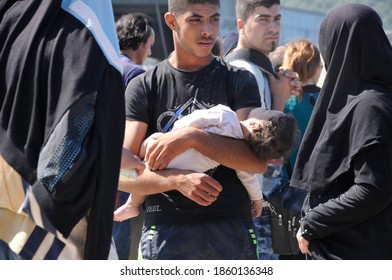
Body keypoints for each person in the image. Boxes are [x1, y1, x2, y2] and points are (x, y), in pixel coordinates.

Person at [120, 0, 269, 260]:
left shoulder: (238, 79)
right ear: (171, 21)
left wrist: (192, 137)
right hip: (166, 230)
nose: (208, 31)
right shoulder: (144, 85)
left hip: (232, 229)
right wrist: (178, 180)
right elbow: (122, 175)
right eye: (196, 19)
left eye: (214, 19)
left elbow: (255, 161)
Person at [0, 0, 124, 259]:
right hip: (47, 227)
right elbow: (77, 124)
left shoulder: (11, 13)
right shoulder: (87, 27)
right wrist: (51, 201)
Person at [293, 3, 392, 260]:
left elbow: (374, 189)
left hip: (357, 251)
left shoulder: (369, 105)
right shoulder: (374, 98)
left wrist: (313, 222)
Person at [114, 104, 297, 221]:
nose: (263, 107)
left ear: (256, 124)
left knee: (145, 158)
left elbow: (196, 119)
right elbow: (248, 178)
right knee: (148, 167)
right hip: (183, 166)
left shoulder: (227, 116)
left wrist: (176, 134)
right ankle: (133, 205)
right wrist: (257, 200)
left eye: (266, 110)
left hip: (168, 148)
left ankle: (132, 204)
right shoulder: (240, 152)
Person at [224, 0, 299, 260]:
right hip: (249, 203)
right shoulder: (246, 71)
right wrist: (279, 102)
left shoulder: (257, 69)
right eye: (263, 19)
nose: (273, 28)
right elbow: (252, 146)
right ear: (242, 25)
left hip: (252, 200)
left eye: (277, 19)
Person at [112, 12, 155, 260]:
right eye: (149, 46)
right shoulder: (136, 75)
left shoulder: (103, 64)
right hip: (125, 170)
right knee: (120, 248)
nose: (149, 52)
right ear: (140, 42)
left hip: (96, 167)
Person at [281, 38, 322, 182]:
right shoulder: (328, 100)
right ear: (316, 67)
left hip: (285, 184)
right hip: (321, 183)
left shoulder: (282, 100)